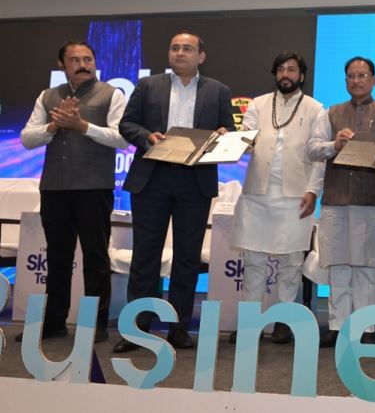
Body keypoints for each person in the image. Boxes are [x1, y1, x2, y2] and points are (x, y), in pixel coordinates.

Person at [114, 31, 235, 353]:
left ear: (201, 56)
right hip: (152, 178)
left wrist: (223, 134)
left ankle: (178, 328)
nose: (180, 52)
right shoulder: (147, 86)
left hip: (194, 182)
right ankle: (136, 328)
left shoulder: (218, 91)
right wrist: (147, 137)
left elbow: (229, 130)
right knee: (145, 256)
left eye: (187, 48)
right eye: (175, 48)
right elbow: (127, 124)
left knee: (187, 257)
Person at [18, 40, 128, 344]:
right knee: (57, 257)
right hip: (55, 187)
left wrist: (82, 126)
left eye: (88, 59)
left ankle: (95, 324)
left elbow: (121, 139)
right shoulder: (47, 96)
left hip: (94, 188)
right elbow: (27, 139)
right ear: (62, 65)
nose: (83, 65)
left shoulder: (112, 94)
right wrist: (53, 127)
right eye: (75, 60)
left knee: (95, 257)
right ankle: (54, 322)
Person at [228, 52, 325, 344]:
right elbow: (246, 140)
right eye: (281, 69)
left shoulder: (316, 108)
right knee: (254, 264)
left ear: (301, 76)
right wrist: (232, 141)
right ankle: (250, 323)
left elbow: (320, 156)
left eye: (292, 69)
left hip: (296, 196)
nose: (286, 74)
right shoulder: (257, 104)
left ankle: (284, 321)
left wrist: (313, 191)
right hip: (257, 195)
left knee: (291, 265)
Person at [308, 56, 375, 347]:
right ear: (345, 80)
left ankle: (367, 327)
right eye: (351, 76)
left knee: (368, 267)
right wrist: (334, 145)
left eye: (362, 75)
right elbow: (313, 149)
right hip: (336, 200)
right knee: (338, 265)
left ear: (374, 80)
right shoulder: (331, 112)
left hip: (372, 201)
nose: (357, 80)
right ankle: (338, 326)